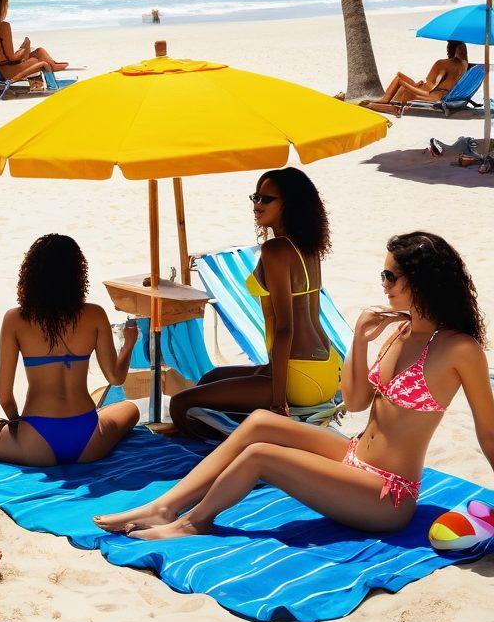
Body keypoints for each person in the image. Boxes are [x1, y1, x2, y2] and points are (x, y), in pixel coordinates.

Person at [94, 231, 494, 539]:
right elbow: (355, 403)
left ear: (420, 281)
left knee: (261, 455)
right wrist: (358, 338)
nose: (384, 283)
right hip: (355, 456)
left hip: (388, 493)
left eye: (391, 275)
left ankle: (192, 524)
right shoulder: (399, 330)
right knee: (259, 424)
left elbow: (488, 433)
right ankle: (164, 507)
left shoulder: (459, 349)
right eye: (383, 274)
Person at [0, 234, 140, 465]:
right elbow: (116, 378)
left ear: (31, 275)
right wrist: (128, 344)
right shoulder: (95, 314)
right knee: (130, 409)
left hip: (36, 442)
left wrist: (16, 425)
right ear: (77, 275)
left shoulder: (15, 319)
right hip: (88, 440)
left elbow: (4, 394)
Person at [168, 168, 341, 434]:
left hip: (300, 376)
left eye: (266, 199)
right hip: (325, 366)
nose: (257, 205)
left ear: (289, 205)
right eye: (255, 197)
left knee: (181, 405)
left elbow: (285, 328)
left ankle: (220, 452)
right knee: (209, 378)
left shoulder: (276, 251)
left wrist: (278, 400)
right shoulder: (306, 246)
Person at [0, 0, 67, 85]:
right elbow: (11, 58)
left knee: (39, 51)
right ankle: (53, 67)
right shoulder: (3, 26)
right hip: (6, 71)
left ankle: (54, 64)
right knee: (37, 60)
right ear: (2, 6)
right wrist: (24, 47)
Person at [364, 41, 469, 116]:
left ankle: (386, 102)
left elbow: (432, 85)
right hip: (443, 94)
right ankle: (388, 101)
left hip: (431, 95)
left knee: (400, 81)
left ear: (450, 48)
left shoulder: (442, 63)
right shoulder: (464, 65)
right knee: (400, 75)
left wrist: (417, 86)